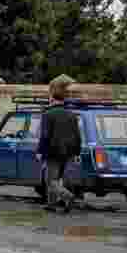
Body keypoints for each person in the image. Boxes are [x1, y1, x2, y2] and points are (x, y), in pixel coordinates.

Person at [36, 81, 82, 213]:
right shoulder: (72, 115)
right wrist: (77, 152)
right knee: (57, 179)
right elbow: (78, 136)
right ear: (63, 100)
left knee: (51, 181)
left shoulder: (48, 114)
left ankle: (68, 197)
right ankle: (51, 205)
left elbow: (44, 135)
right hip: (68, 152)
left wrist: (40, 151)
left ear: (52, 99)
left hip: (53, 151)